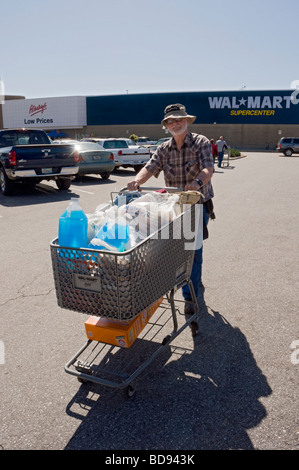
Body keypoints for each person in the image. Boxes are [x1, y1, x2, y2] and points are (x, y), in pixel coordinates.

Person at [127, 103, 214, 316]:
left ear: (187, 121)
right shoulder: (164, 148)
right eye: (171, 121)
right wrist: (136, 181)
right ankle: (189, 283)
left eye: (179, 119)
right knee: (176, 252)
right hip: (173, 209)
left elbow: (208, 167)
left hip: (196, 205)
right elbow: (150, 167)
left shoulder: (200, 142)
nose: (175, 123)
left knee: (192, 251)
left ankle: (190, 297)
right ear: (166, 125)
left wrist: (197, 182)